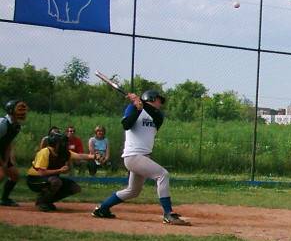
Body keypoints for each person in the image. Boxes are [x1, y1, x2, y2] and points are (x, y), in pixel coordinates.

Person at [92, 90, 189, 225]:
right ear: (151, 98)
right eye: (158, 100)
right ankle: (168, 214)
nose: (160, 103)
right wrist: (137, 107)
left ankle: (102, 209)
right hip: (133, 156)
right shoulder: (132, 108)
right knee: (163, 175)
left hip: (143, 157)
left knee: (133, 191)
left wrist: (141, 105)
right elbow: (126, 125)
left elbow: (151, 113)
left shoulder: (158, 116)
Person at [26, 133, 95, 211]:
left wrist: (95, 156)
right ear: (55, 144)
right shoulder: (45, 152)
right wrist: (59, 170)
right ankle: (41, 202)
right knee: (56, 182)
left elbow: (80, 156)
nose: (65, 145)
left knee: (75, 188)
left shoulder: (63, 153)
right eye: (62, 143)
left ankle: (47, 201)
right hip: (35, 179)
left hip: (50, 179)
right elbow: (42, 173)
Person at [0, 99, 28, 207]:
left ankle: (5, 199)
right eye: (20, 110)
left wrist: (7, 161)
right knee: (1, 175)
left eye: (24, 110)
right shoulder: (2, 123)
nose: (23, 113)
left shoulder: (16, 126)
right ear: (11, 111)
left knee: (15, 175)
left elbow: (8, 144)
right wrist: (2, 164)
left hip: (2, 152)